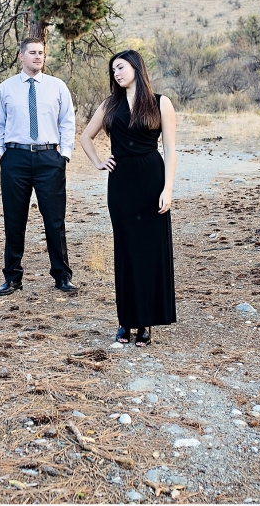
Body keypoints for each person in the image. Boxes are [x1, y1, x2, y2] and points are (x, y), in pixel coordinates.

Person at [79, 50, 177, 346]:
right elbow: (85, 137)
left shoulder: (161, 102)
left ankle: (145, 322)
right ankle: (125, 321)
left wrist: (168, 189)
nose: (116, 74)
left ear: (135, 66)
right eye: (113, 71)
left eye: (120, 67)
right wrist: (98, 161)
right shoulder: (110, 104)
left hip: (151, 179)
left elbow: (171, 149)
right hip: (121, 183)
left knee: (150, 251)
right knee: (126, 251)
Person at [0, 37, 77, 296]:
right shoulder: (6, 88)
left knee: (54, 219)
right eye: (32, 53)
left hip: (49, 159)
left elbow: (67, 122)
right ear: (21, 56)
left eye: (41, 53)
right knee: (14, 220)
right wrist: (0, 155)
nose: (38, 57)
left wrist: (65, 155)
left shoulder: (57, 87)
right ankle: (13, 277)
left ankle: (62, 276)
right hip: (14, 159)